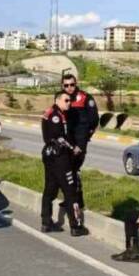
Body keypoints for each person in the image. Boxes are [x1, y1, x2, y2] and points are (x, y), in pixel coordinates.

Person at [41, 91, 90, 236]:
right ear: (57, 100)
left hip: (50, 156)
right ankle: (76, 226)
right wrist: (73, 148)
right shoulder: (56, 115)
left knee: (49, 190)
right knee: (70, 191)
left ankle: (46, 222)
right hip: (60, 157)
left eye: (70, 100)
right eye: (66, 100)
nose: (69, 103)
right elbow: (59, 137)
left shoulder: (50, 112)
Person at [58, 72, 98, 226]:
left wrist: (84, 139)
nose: (69, 88)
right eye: (66, 85)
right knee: (66, 171)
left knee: (73, 170)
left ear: (76, 84)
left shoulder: (85, 98)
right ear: (62, 86)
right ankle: (70, 199)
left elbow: (94, 120)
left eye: (72, 85)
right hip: (66, 141)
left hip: (79, 142)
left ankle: (76, 201)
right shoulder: (60, 97)